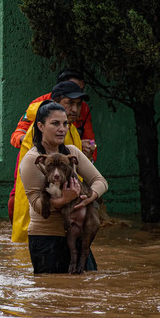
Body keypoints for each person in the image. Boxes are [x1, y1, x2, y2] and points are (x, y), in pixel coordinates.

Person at [20, 100, 107, 273]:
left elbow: (100, 181)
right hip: (46, 238)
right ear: (41, 126)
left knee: (85, 290)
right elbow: (37, 204)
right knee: (53, 293)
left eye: (65, 123)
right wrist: (64, 199)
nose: (62, 128)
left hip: (77, 236)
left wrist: (89, 196)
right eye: (55, 123)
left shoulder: (72, 152)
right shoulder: (33, 159)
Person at [8, 69, 97, 226]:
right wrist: (33, 141)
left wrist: (88, 150)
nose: (75, 108)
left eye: (79, 94)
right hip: (36, 160)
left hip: (67, 170)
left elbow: (90, 143)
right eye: (70, 100)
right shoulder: (38, 108)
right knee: (20, 203)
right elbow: (17, 135)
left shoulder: (83, 110)